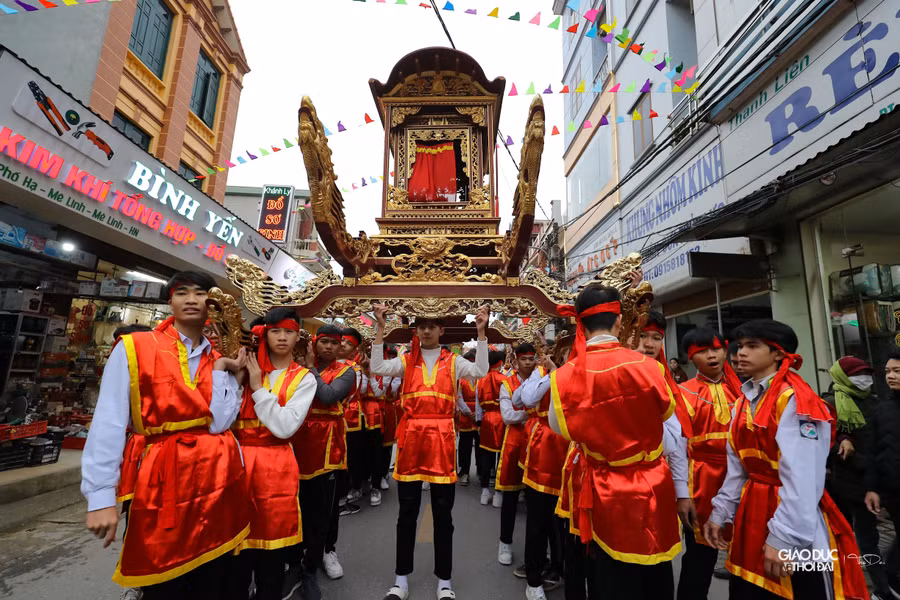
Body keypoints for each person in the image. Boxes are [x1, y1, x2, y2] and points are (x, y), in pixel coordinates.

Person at [82, 271, 249, 599]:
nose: (191, 300)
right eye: (181, 293)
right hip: (163, 477)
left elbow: (218, 424)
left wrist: (227, 374)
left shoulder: (217, 359)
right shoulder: (135, 347)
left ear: (211, 303)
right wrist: (100, 496)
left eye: (200, 293)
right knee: (163, 576)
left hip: (218, 480)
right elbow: (110, 421)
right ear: (169, 301)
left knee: (212, 575)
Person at [703, 320, 868, 599]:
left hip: (791, 518)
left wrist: (784, 539)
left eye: (752, 346)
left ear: (778, 353)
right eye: (740, 346)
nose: (740, 352)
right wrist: (721, 512)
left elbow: (804, 479)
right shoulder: (744, 400)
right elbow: (738, 469)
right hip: (751, 514)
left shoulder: (796, 401)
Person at [543, 285, 681, 600]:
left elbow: (559, 427)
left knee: (610, 574)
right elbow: (668, 421)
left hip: (604, 487)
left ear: (580, 325)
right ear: (619, 322)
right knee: (655, 571)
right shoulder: (652, 368)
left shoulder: (565, 376)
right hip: (652, 484)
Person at [370, 304, 490, 600]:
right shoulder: (405, 358)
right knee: (406, 514)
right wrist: (380, 328)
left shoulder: (454, 361)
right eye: (421, 325)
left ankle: (444, 582)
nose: (425, 330)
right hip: (411, 440)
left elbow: (481, 370)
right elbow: (377, 368)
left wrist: (481, 332)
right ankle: (400, 580)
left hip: (442, 441)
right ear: (416, 330)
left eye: (431, 325)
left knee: (443, 516)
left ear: (441, 330)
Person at [227, 307, 317, 600]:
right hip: (235, 464)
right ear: (264, 334)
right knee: (235, 558)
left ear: (297, 336)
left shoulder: (304, 378)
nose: (281, 337)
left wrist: (255, 388)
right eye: (275, 331)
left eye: (288, 331)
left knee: (271, 555)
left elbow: (285, 426)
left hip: (275, 468)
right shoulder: (242, 368)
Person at [288, 323, 358, 597]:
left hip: (328, 445)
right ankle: (296, 559)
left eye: (333, 343)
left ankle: (325, 553)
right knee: (298, 505)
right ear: (315, 343)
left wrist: (309, 368)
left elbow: (328, 396)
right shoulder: (295, 366)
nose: (328, 347)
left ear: (340, 346)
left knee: (325, 509)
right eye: (323, 342)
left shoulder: (346, 371)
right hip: (297, 439)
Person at [673, 328, 740, 600]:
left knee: (744, 555)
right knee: (700, 555)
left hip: (741, 477)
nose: (711, 355)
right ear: (690, 357)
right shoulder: (682, 393)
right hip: (701, 478)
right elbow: (677, 446)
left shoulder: (743, 389)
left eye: (715, 349)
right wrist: (681, 493)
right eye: (701, 351)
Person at [495, 344, 542, 568]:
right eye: (524, 359)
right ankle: (505, 542)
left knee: (536, 502)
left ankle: (537, 553)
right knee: (510, 499)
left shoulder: (542, 378)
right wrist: (533, 412)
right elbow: (507, 416)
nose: (529, 363)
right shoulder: (506, 383)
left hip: (538, 444)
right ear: (516, 361)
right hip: (515, 443)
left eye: (532, 358)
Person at [864, 348, 900, 598]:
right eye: (887, 371)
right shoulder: (882, 409)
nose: (891, 376)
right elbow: (874, 452)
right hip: (893, 490)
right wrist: (873, 488)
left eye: (897, 371)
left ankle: (889, 582)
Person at [477, 349, 510, 507]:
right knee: (502, 458)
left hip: (486, 419)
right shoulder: (506, 379)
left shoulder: (481, 379)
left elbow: (478, 405)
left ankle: (484, 491)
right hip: (503, 419)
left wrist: (478, 421)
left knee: (485, 456)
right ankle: (498, 493)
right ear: (501, 362)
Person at [340, 327, 365, 516]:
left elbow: (357, 391)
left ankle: (342, 496)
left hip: (347, 417)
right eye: (341, 340)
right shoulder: (319, 362)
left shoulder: (354, 368)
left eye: (348, 343)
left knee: (347, 457)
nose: (342, 345)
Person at [360, 348, 386, 507]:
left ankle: (376, 486)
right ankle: (361, 482)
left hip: (376, 416)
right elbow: (361, 391)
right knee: (361, 451)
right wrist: (363, 371)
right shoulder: (356, 371)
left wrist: (370, 375)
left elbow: (378, 393)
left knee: (377, 451)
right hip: (360, 414)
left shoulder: (383, 374)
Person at [456, 350, 479, 485]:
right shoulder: (461, 379)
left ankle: (482, 471)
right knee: (465, 446)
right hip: (466, 416)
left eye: (473, 361)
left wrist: (478, 412)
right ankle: (464, 471)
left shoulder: (481, 378)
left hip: (479, 415)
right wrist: (467, 411)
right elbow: (458, 396)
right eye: (469, 361)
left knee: (480, 446)